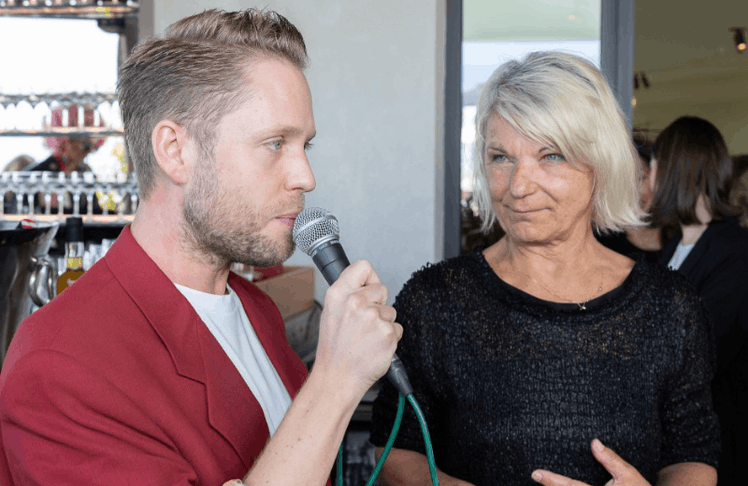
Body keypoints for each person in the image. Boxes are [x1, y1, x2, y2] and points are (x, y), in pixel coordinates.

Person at [0, 8, 402, 486]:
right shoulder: (58, 366)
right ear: (175, 151)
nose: (305, 177)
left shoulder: (255, 308)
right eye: (275, 144)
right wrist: (335, 383)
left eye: (304, 147)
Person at [370, 51, 719, 486]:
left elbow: (693, 455)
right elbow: (394, 449)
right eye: (501, 158)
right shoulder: (436, 300)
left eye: (551, 156)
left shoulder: (669, 307)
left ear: (601, 163)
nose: (518, 186)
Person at [649, 116, 748, 486]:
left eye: (653, 168)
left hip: (722, 442)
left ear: (673, 171)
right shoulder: (674, 246)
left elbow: (705, 347)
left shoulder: (734, 251)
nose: (649, 180)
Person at [596, 141, 661, 262]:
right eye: (620, 183)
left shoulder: (682, 236)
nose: (632, 193)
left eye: (640, 178)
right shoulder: (596, 246)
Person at [25, 105, 103, 174]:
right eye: (84, 144)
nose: (85, 151)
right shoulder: (35, 173)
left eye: (88, 147)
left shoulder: (86, 172)